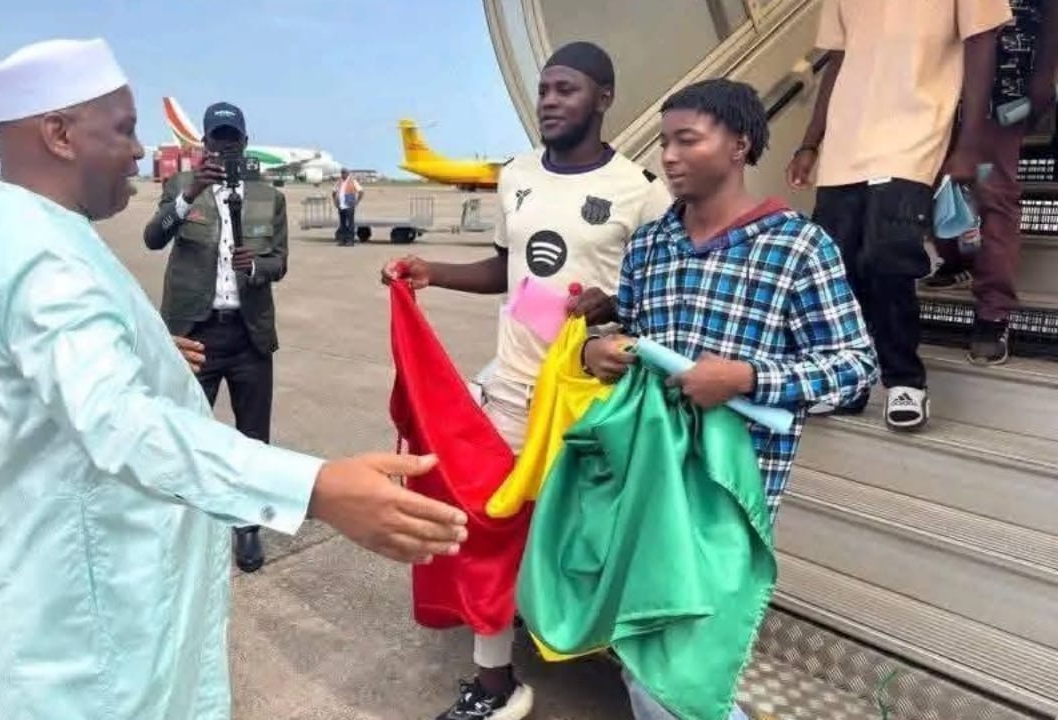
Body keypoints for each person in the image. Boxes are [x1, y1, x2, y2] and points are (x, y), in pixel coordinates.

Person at [0, 37, 468, 720]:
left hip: (63, 607)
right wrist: (317, 488)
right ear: (58, 134)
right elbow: (121, 422)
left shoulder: (23, 220)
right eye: (123, 130)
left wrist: (146, 346)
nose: (138, 151)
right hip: (68, 648)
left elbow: (66, 356)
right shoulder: (41, 259)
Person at [383, 41, 674, 720]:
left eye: (566, 89)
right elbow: (506, 269)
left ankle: (626, 672)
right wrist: (433, 273)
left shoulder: (642, 192)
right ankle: (494, 684)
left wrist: (612, 307)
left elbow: (663, 297)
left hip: (589, 404)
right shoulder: (515, 175)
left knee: (592, 541)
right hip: (512, 394)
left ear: (603, 98)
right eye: (544, 90)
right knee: (488, 528)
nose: (548, 101)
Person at [581, 77, 877, 720]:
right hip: (646, 480)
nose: (669, 156)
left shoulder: (797, 246)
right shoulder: (650, 244)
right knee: (645, 653)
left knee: (683, 672)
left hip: (730, 497)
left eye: (687, 140)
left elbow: (856, 367)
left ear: (739, 144)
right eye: (664, 142)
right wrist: (597, 350)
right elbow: (629, 331)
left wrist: (745, 378)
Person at [786, 0, 1014, 429]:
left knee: (887, 256)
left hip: (915, 128)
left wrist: (969, 144)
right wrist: (810, 142)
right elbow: (838, 58)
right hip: (846, 138)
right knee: (837, 267)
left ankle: (904, 379)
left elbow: (982, 41)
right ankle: (849, 380)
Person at [143, 100, 288, 573]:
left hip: (249, 335)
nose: (225, 147)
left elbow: (280, 262)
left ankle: (247, 525)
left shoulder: (269, 197)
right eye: (216, 138)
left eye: (232, 138)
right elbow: (153, 238)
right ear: (204, 143)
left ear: (244, 142)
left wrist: (257, 267)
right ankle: (188, 527)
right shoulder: (181, 186)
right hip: (195, 335)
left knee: (254, 438)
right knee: (186, 435)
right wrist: (191, 193)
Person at [922, 0, 1057, 365]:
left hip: (1007, 91)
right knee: (940, 186)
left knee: (994, 193)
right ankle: (957, 259)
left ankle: (994, 312)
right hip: (938, 89)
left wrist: (1045, 76)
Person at [333, 167, 363, 245]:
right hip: (341, 206)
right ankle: (343, 240)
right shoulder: (339, 182)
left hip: (349, 206)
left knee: (350, 224)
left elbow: (361, 192)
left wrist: (357, 202)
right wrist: (335, 202)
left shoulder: (353, 181)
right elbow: (334, 192)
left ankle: (350, 240)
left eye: (344, 173)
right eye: (342, 173)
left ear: (348, 173)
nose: (343, 174)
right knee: (342, 224)